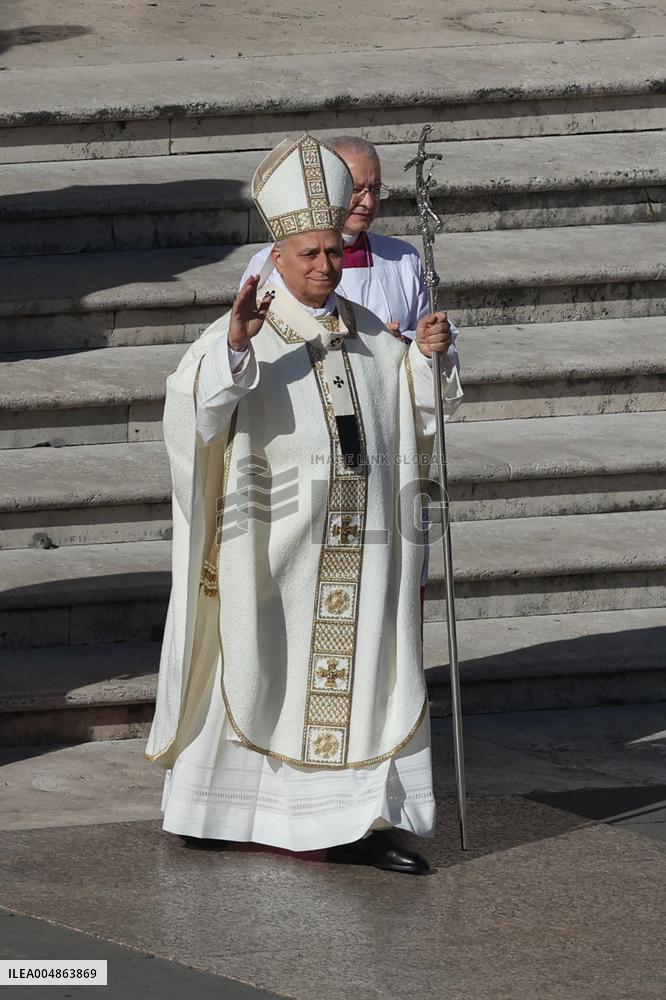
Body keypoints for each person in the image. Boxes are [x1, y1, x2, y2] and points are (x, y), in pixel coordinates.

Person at [146, 133, 462, 876]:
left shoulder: (365, 334)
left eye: (331, 254)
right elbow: (191, 413)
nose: (323, 267)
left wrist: (426, 355)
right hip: (272, 551)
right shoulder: (246, 329)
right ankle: (215, 810)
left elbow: (416, 408)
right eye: (308, 255)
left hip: (361, 552)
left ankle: (354, 823)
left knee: (354, 684)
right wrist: (233, 348)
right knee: (260, 672)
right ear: (277, 258)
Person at [241, 135, 458, 354]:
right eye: (356, 190)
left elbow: (434, 336)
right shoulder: (272, 263)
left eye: (375, 190)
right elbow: (261, 344)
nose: (369, 202)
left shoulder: (403, 258)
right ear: (328, 187)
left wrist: (417, 343)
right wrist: (369, 340)